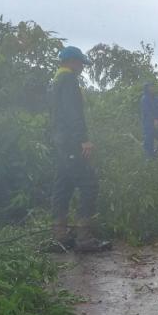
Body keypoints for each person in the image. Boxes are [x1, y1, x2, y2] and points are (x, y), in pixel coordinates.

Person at [48, 46, 111, 253]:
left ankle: (60, 236)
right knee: (89, 184)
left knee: (63, 185)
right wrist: (83, 140)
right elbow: (72, 112)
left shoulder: (56, 81)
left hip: (61, 142)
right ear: (72, 61)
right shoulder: (68, 80)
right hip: (72, 143)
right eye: (81, 63)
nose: (82, 67)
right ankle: (84, 237)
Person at [140, 82, 158, 158]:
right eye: (150, 87)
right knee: (149, 140)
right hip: (148, 123)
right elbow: (147, 111)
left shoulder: (155, 98)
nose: (152, 88)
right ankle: (149, 158)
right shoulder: (144, 99)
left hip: (157, 123)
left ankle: (154, 155)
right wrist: (154, 120)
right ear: (146, 88)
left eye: (152, 86)